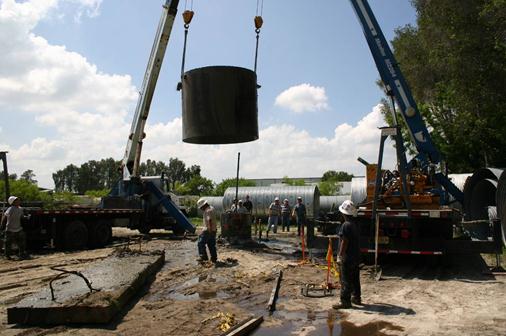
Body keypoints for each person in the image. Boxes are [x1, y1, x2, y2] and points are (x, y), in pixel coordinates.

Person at [333, 200, 361, 309]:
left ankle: (345, 301)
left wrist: (340, 255)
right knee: (355, 278)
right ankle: (357, 298)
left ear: (344, 213)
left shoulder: (345, 225)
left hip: (348, 257)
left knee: (345, 279)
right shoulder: (355, 224)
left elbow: (344, 241)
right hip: (356, 256)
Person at [196, 199, 217, 263]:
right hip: (213, 230)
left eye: (201, 207)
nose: (201, 209)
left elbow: (209, 219)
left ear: (204, 205)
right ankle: (214, 258)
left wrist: (209, 229)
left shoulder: (207, 210)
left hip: (208, 230)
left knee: (200, 243)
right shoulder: (212, 208)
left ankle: (203, 257)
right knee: (211, 245)